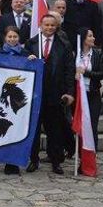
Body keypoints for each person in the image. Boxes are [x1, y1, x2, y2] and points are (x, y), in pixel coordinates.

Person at [22, 14, 76, 175]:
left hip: (56, 94)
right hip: (35, 95)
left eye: (53, 25)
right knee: (34, 130)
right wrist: (27, 58)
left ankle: (55, 161)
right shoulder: (31, 44)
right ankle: (33, 160)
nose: (50, 28)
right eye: (47, 25)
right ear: (41, 25)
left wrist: (69, 92)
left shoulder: (64, 45)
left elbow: (69, 70)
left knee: (55, 130)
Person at [75, 29, 103, 149]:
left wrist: (86, 73)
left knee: (92, 125)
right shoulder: (75, 54)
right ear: (83, 39)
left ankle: (92, 155)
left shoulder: (98, 54)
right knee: (79, 125)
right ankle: (79, 153)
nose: (93, 38)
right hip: (79, 94)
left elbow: (102, 73)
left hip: (93, 94)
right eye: (90, 36)